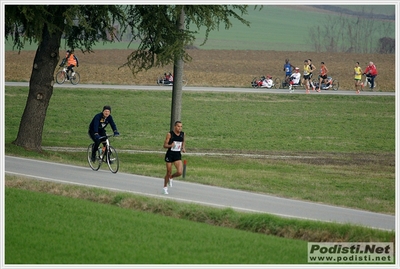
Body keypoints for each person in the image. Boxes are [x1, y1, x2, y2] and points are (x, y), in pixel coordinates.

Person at [163, 121, 186, 195]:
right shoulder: (170, 134)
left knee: (180, 172)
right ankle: (165, 187)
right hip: (170, 154)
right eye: (178, 126)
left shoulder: (182, 134)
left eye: (181, 126)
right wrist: (170, 145)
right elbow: (165, 145)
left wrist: (183, 148)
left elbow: (183, 141)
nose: (180, 128)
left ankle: (171, 177)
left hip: (177, 155)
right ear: (175, 127)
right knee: (168, 172)